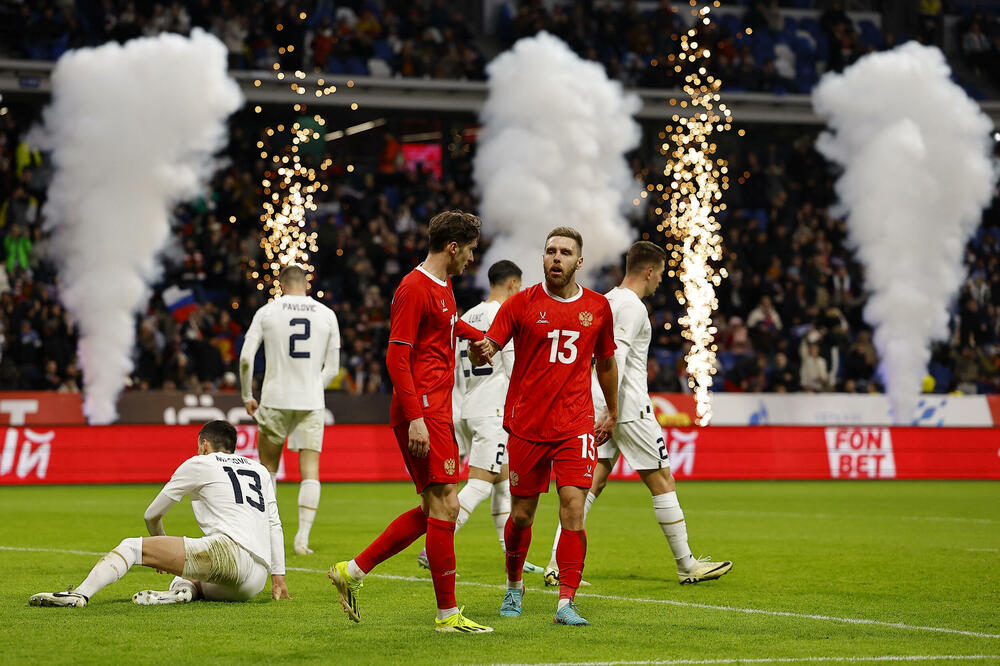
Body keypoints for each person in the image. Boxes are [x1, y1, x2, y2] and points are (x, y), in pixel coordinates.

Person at [329, 210, 493, 634]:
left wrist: (480, 341)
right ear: (453, 247)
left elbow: (449, 328)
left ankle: (353, 571)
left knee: (434, 507)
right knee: (447, 505)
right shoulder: (413, 287)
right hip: (421, 410)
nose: (472, 260)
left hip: (437, 407)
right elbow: (396, 356)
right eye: (470, 250)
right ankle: (447, 615)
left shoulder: (444, 285)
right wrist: (417, 418)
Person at [542, 241, 732, 587]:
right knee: (662, 480)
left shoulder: (606, 300)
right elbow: (612, 357)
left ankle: (557, 564)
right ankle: (687, 564)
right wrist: (612, 411)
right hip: (626, 408)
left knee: (591, 483)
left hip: (598, 404)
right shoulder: (631, 307)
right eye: (659, 274)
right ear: (649, 271)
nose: (660, 281)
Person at [473, 226, 619, 627]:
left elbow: (606, 363)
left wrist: (613, 410)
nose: (557, 257)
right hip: (526, 427)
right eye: (551, 251)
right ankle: (514, 585)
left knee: (574, 510)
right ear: (543, 258)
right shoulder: (519, 304)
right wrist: (482, 347)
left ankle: (565, 601)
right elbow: (492, 345)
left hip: (575, 426)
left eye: (565, 252)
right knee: (522, 515)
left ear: (579, 261)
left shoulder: (598, 308)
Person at [29, 420, 289, 607]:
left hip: (229, 557)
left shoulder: (199, 462)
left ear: (204, 444)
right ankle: (181, 594)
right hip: (254, 581)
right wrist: (279, 578)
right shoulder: (260, 470)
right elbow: (274, 525)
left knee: (131, 547)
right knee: (190, 577)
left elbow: (151, 515)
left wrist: (159, 551)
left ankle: (80, 594)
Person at [415, 259, 541, 575]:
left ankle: (514, 557)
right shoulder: (506, 315)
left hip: (467, 406)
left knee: (502, 481)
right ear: (513, 284)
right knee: (481, 483)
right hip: (495, 410)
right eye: (521, 286)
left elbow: (454, 366)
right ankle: (433, 547)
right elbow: (514, 367)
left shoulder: (468, 316)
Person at [239, 264, 341, 556]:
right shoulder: (327, 314)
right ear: (306, 283)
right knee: (310, 472)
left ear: (281, 284)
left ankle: (269, 536)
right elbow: (332, 368)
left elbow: (246, 359)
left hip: (274, 398)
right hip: (311, 402)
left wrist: (248, 395)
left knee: (268, 469)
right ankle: (302, 540)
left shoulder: (268, 312)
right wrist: (312, 386)